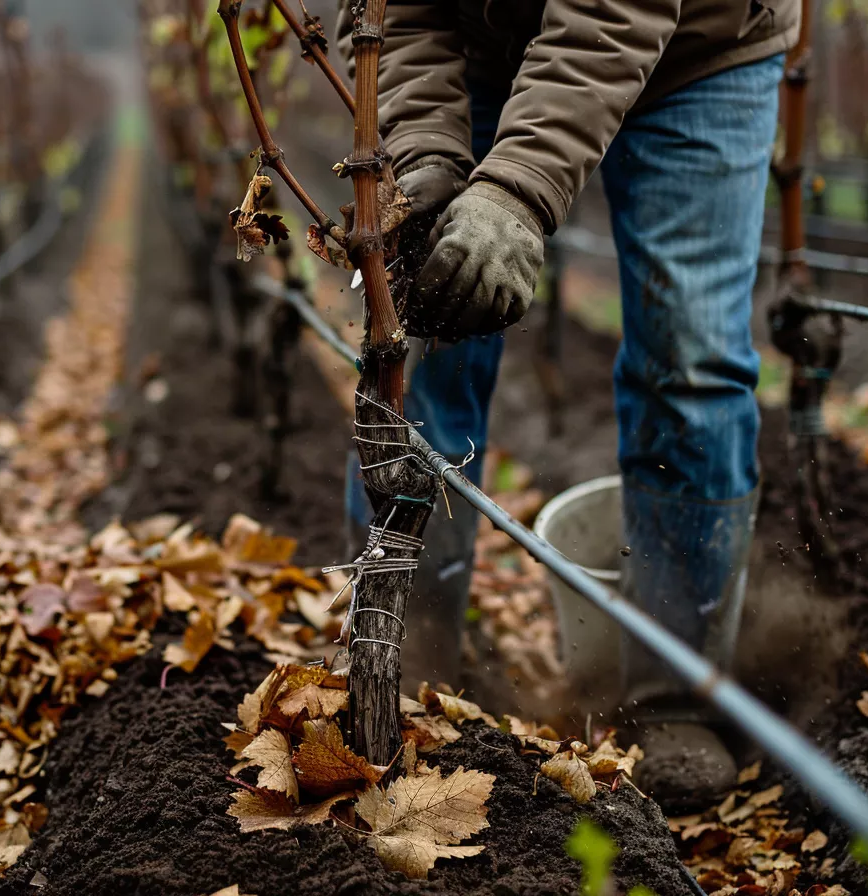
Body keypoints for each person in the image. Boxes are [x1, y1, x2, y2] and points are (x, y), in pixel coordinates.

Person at [336, 0, 798, 809]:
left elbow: (616, 11)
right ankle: (406, 660)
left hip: (703, 44)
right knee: (422, 321)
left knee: (689, 355)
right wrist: (427, 161)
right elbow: (395, 12)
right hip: (476, 44)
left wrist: (516, 191)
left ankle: (676, 693)